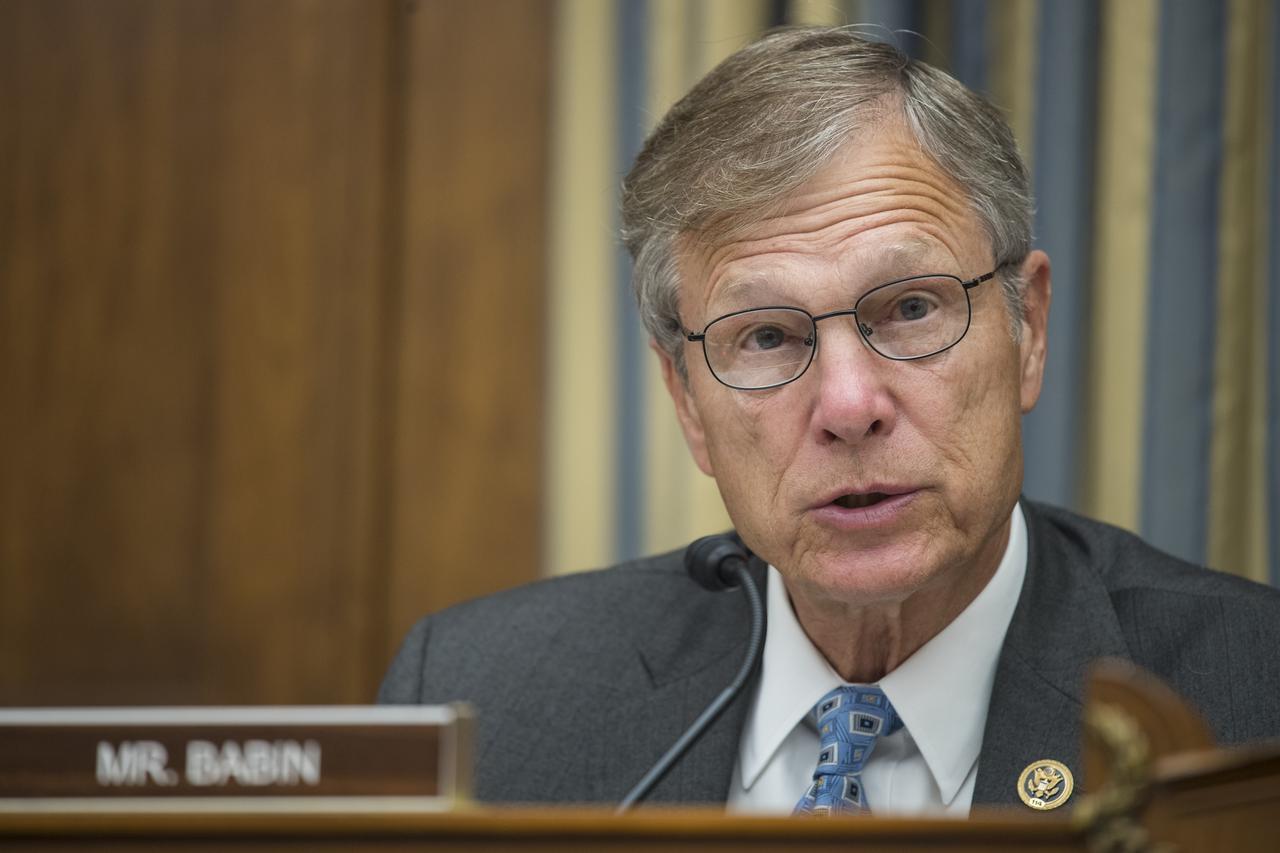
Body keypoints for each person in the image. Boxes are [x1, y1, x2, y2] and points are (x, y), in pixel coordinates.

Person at [378, 28, 1280, 815]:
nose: (850, 406)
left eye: (912, 309)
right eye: (766, 335)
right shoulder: (482, 700)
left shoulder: (1249, 697)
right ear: (687, 399)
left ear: (1028, 329)